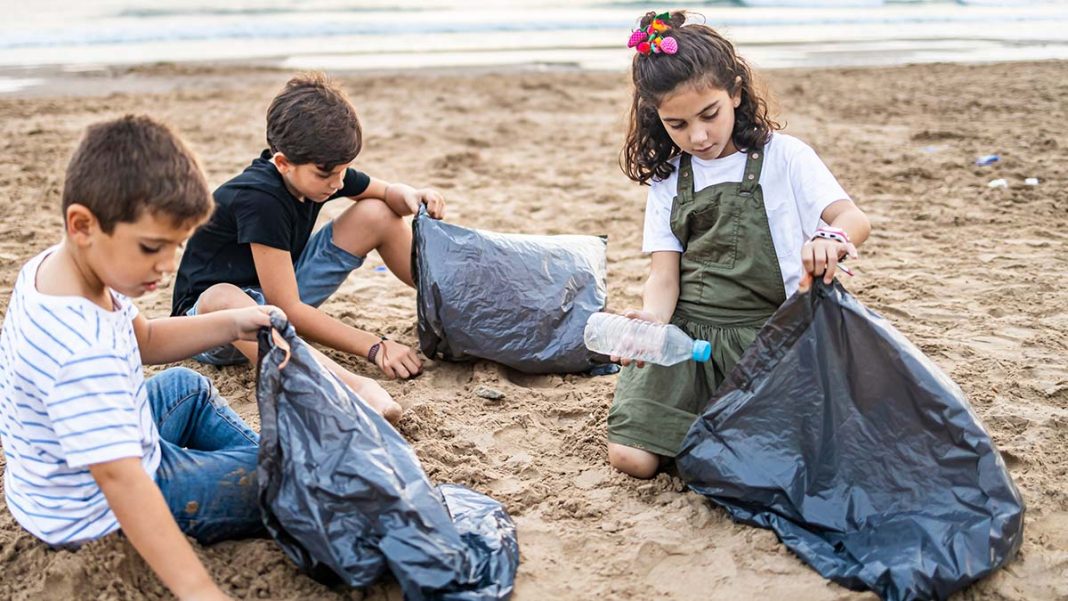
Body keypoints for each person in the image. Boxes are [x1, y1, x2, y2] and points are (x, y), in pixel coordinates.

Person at [0, 115, 279, 600]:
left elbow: (144, 338)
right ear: (83, 224)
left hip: (62, 475)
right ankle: (277, 468)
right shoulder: (81, 352)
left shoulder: (63, 268)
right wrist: (199, 591)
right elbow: (123, 484)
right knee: (287, 477)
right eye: (153, 247)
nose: (168, 266)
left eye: (177, 247)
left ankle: (266, 455)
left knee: (186, 388)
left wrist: (233, 323)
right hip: (93, 510)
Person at [609, 11, 872, 478]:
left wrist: (830, 239)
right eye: (678, 124)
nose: (699, 136)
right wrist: (652, 323)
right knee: (631, 459)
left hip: (771, 331)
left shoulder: (785, 156)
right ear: (658, 118)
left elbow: (852, 219)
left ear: (734, 91)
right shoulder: (669, 179)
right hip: (688, 338)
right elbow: (664, 276)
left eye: (709, 114)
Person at [171, 72, 446, 423]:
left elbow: (384, 192)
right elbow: (286, 307)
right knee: (223, 296)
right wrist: (374, 346)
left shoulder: (322, 172)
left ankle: (448, 300)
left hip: (277, 298)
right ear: (283, 162)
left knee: (377, 212)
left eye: (343, 172)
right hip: (213, 328)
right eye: (326, 175)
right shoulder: (260, 198)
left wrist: (412, 195)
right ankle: (351, 387)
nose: (336, 184)